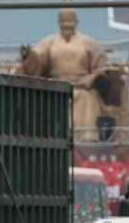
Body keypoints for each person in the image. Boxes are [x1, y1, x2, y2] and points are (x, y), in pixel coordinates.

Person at [20, 9, 111, 142]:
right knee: (47, 102)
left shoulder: (89, 43)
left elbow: (101, 66)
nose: (66, 25)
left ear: (76, 22)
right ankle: (52, 137)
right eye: (63, 21)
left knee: (86, 97)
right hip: (55, 87)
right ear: (58, 23)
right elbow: (37, 59)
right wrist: (28, 55)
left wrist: (92, 78)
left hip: (82, 87)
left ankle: (86, 137)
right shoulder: (48, 42)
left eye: (70, 21)